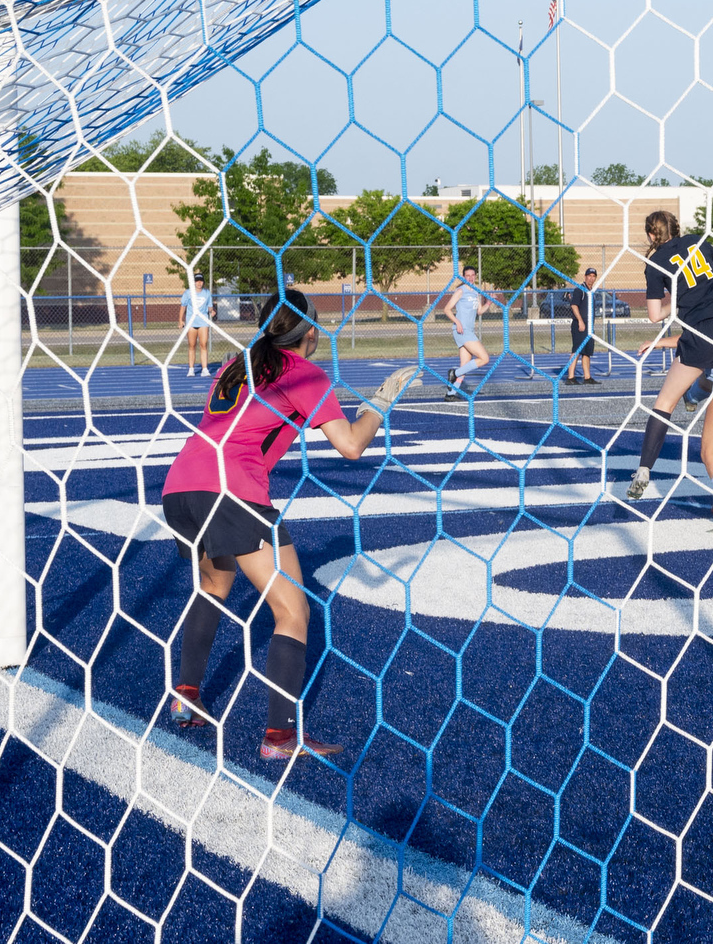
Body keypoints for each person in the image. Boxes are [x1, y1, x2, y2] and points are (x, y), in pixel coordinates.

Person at [162, 290, 419, 758]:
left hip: (181, 484)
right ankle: (279, 737)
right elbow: (351, 447)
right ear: (311, 331)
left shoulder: (235, 364)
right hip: (231, 490)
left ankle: (186, 699)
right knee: (293, 611)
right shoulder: (307, 375)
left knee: (212, 588)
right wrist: (381, 401)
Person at [627, 212, 713, 511]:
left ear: (651, 235)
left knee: (665, 401)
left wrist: (677, 299)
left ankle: (644, 467)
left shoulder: (655, 264)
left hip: (699, 329)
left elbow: (655, 315)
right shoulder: (697, 242)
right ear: (676, 228)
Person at [449, 263, 492, 393]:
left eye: (472, 275)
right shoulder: (460, 291)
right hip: (462, 331)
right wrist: (457, 322)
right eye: (467, 275)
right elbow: (447, 309)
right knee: (484, 359)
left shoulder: (475, 292)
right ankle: (454, 373)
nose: (470, 278)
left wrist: (488, 303)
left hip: (469, 331)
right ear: (463, 277)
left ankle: (451, 393)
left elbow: (479, 311)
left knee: (465, 366)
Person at [563, 266, 601, 384]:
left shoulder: (591, 292)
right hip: (580, 325)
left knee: (587, 352)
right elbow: (574, 306)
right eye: (589, 276)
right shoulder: (580, 289)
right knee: (577, 350)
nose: (591, 278)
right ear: (585, 277)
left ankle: (587, 377)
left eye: (593, 276)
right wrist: (580, 321)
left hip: (589, 326)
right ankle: (570, 377)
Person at [180, 275, 213, 377]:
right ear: (193, 282)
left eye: (201, 281)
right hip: (191, 323)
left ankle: (204, 369)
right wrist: (180, 320)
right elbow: (183, 307)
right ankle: (191, 369)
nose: (199, 283)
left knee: (203, 345)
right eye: (197, 281)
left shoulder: (207, 293)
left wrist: (212, 311)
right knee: (192, 345)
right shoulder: (188, 293)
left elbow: (210, 307)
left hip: (203, 322)